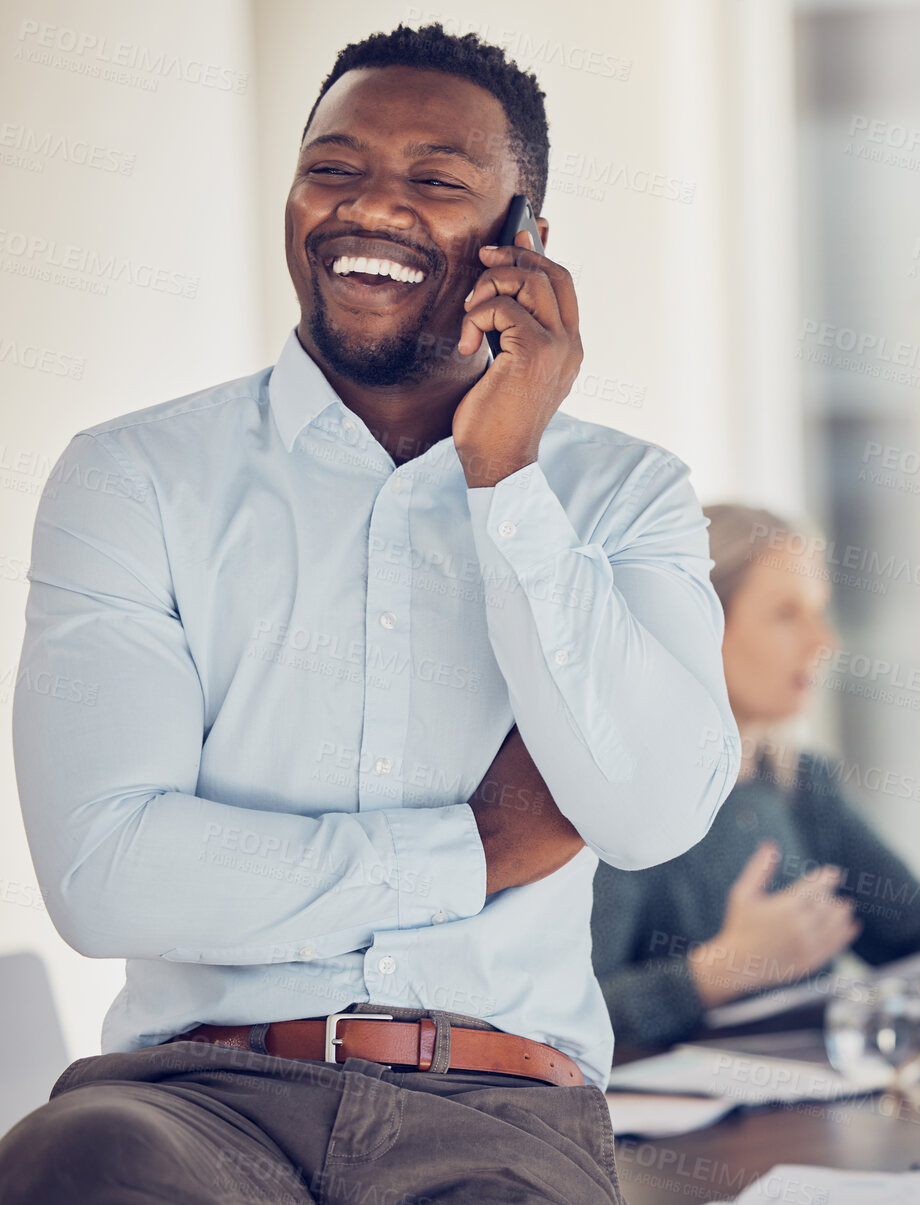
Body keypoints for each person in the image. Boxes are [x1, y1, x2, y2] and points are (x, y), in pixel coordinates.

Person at [0, 24, 740, 1204]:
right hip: (192, 1100)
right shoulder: (133, 477)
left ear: (523, 239)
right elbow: (106, 871)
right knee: (71, 1159)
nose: (370, 209)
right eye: (334, 168)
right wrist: (473, 850)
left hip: (500, 1113)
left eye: (436, 181)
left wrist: (508, 481)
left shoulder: (622, 493)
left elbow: (648, 810)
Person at [590, 504, 920, 1048]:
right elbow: (556, 1021)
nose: (824, 642)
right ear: (695, 624)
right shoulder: (613, 796)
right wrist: (721, 971)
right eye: (787, 614)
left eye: (818, 611)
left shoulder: (798, 784)